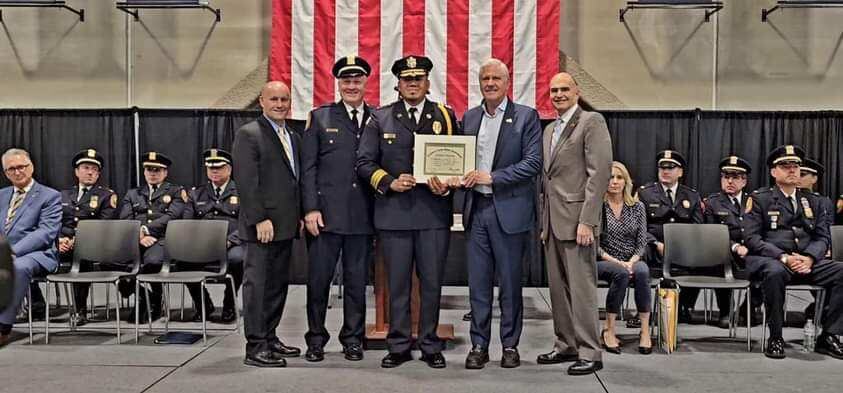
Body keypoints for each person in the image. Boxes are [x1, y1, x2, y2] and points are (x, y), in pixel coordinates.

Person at [356, 55, 460, 369]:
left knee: (431, 284)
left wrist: (449, 184)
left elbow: (459, 162)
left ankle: (429, 344)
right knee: (397, 284)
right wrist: (388, 181)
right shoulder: (381, 118)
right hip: (394, 216)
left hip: (432, 215)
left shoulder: (445, 114)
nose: (413, 84)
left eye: (418, 79)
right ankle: (398, 344)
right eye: (407, 80)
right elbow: (364, 163)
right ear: (398, 85)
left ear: (427, 82)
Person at [459, 58, 541, 370]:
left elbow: (533, 164)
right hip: (476, 209)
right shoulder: (469, 117)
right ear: (479, 83)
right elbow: (459, 159)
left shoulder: (526, 117)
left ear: (508, 83)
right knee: (478, 285)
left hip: (508, 211)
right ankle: (479, 344)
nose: (490, 83)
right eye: (485, 78)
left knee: (509, 284)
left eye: (496, 78)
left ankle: (510, 345)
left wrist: (493, 177)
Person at [538, 72, 612, 376]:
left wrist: (588, 221)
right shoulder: (549, 130)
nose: (558, 94)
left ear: (577, 91)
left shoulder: (591, 122)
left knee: (582, 290)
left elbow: (600, 175)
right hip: (552, 221)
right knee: (558, 289)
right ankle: (566, 343)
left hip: (578, 222)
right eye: (553, 90)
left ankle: (590, 351)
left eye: (564, 89)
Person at [301, 56, 375, 362]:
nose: (352, 86)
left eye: (357, 80)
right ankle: (316, 339)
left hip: (362, 216)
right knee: (319, 282)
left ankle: (353, 339)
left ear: (365, 83)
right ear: (338, 84)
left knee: (357, 283)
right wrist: (310, 210)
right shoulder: (320, 117)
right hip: (325, 217)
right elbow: (308, 169)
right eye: (346, 81)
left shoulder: (377, 118)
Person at [743, 145, 843, 359]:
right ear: (773, 172)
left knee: (841, 271)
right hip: (773, 259)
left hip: (806, 260)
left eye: (796, 166)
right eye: (785, 166)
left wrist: (808, 258)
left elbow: (823, 237)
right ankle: (776, 337)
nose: (792, 170)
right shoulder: (760, 199)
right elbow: (752, 239)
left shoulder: (813, 201)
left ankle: (829, 335)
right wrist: (784, 256)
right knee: (775, 273)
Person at [233, 81, 303, 368]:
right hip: (262, 225)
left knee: (276, 286)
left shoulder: (293, 136)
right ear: (261, 101)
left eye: (284, 99)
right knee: (258, 287)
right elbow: (247, 182)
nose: (279, 104)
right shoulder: (249, 134)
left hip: (285, 226)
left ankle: (270, 337)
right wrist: (259, 217)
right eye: (273, 98)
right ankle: (256, 346)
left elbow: (292, 182)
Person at [636, 150, 714, 324]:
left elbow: (697, 227)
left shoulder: (691, 195)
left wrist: (681, 247)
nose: (665, 171)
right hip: (654, 247)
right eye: (662, 167)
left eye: (671, 168)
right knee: (641, 253)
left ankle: (684, 306)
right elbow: (640, 226)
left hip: (682, 248)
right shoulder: (645, 193)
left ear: (680, 172)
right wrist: (656, 243)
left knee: (701, 256)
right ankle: (643, 308)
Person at [0, 148, 61, 346]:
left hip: (36, 254)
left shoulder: (49, 196)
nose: (17, 172)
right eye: (11, 169)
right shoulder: (1, 195)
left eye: (21, 167)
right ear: (5, 173)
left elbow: (45, 233)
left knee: (17, 267)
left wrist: (11, 252)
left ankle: (3, 327)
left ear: (31, 166)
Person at [118, 152, 186, 323]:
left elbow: (172, 217)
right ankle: (144, 295)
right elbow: (125, 218)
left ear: (165, 172)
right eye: (149, 169)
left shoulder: (176, 191)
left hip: (162, 240)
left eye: (157, 170)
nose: (153, 173)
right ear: (144, 171)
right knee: (108, 262)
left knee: (154, 262)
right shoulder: (133, 193)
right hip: (135, 239)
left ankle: (155, 300)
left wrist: (145, 230)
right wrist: (138, 236)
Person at [57, 149, 118, 326]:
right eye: (85, 167)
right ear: (77, 171)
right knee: (32, 256)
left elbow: (103, 224)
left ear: (98, 174)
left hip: (93, 245)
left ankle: (79, 311)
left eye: (94, 169)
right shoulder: (63, 195)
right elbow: (53, 222)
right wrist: (59, 240)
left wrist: (77, 240)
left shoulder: (106, 195)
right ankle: (36, 304)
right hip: (63, 244)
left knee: (81, 257)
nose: (90, 172)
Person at [597, 161, 652, 355]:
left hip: (632, 259)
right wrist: (618, 262)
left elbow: (642, 241)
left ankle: (645, 331)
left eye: (619, 177)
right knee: (620, 273)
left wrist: (632, 261)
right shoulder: (598, 206)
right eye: (611, 177)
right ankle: (609, 329)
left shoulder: (637, 207)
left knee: (643, 271)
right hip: (604, 260)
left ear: (626, 181)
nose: (615, 182)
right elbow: (595, 246)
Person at [182, 148, 243, 324]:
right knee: (183, 261)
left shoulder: (241, 191)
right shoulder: (196, 193)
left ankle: (229, 303)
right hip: (202, 245)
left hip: (230, 244)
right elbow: (187, 223)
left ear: (229, 169)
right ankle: (203, 303)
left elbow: (246, 222)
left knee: (238, 259)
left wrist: (231, 240)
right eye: (210, 168)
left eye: (219, 167)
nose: (214, 171)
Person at [703, 156, 762, 327]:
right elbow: (710, 232)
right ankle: (726, 311)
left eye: (735, 177)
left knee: (768, 266)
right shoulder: (712, 203)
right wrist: (735, 246)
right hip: (724, 250)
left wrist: (753, 247)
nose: (729, 181)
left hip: (752, 249)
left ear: (744, 181)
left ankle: (747, 309)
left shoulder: (755, 201)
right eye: (725, 177)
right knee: (720, 261)